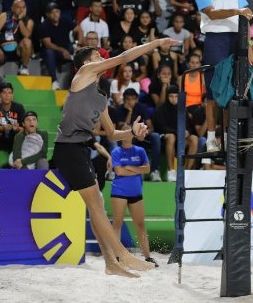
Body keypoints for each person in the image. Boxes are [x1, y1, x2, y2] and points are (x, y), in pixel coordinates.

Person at [53, 38, 177, 277]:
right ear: (86, 64)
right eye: (97, 57)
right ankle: (123, 254)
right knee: (96, 204)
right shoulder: (83, 74)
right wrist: (158, 42)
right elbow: (123, 58)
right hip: (67, 148)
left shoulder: (100, 96)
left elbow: (111, 133)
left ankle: (111, 263)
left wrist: (133, 132)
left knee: (97, 204)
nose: (101, 59)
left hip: (80, 148)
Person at [193, 0, 252, 153]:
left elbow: (247, 14)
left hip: (236, 40)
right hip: (216, 40)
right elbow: (212, 13)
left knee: (232, 92)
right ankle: (210, 138)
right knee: (212, 93)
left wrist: (250, 45)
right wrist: (237, 10)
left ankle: (228, 138)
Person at [110, 124, 157, 266]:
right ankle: (116, 257)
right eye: (123, 131)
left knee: (141, 225)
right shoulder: (116, 152)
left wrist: (129, 168)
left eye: (128, 130)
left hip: (136, 193)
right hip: (119, 192)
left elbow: (147, 169)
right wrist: (138, 169)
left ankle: (148, 257)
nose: (127, 134)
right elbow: (119, 172)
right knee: (117, 224)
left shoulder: (140, 151)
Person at [0, 82, 26, 167]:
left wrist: (17, 129)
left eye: (9, 93)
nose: (7, 95)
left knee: (20, 137)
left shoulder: (19, 108)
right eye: (4, 93)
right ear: (0, 95)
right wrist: (1, 128)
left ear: (12, 95)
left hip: (13, 139)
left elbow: (25, 129)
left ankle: (18, 166)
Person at [0, 0, 33, 74]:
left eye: (23, 7)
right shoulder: (4, 16)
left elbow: (27, 35)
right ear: (12, 8)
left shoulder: (29, 21)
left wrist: (20, 20)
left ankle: (23, 67)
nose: (21, 10)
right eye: (18, 7)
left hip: (18, 51)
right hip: (2, 50)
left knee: (27, 42)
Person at [40, 2, 75, 90]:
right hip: (54, 52)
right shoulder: (44, 25)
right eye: (52, 12)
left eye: (57, 11)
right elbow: (48, 44)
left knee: (80, 51)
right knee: (49, 52)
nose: (55, 14)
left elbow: (79, 30)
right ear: (48, 15)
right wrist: (63, 51)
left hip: (67, 49)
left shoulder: (65, 20)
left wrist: (79, 43)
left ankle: (77, 84)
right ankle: (54, 81)